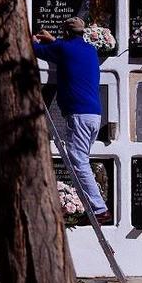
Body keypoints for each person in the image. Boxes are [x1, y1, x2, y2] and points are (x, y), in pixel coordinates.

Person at [33, 16, 111, 224]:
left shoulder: (63, 49)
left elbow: (37, 51)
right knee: (82, 159)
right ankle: (97, 205)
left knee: (78, 162)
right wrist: (54, 41)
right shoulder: (90, 51)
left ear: (66, 33)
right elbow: (64, 50)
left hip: (78, 114)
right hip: (94, 115)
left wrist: (32, 39)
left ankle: (99, 208)